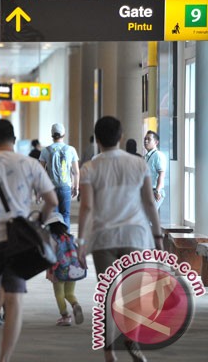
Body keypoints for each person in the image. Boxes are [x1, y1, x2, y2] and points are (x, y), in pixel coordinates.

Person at [0, 119, 57, 362]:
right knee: (15, 299)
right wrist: (38, 223)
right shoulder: (30, 164)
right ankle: (5, 357)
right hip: (19, 241)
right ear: (14, 140)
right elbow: (52, 200)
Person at [77, 116, 162, 362]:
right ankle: (132, 339)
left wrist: (81, 243)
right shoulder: (138, 164)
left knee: (107, 293)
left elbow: (87, 208)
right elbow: (149, 202)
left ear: (98, 139)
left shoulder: (90, 168)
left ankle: (109, 353)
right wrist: (157, 235)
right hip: (136, 235)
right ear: (121, 136)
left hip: (103, 238)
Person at [39, 123, 80, 228]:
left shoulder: (45, 151)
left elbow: (41, 172)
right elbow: (76, 171)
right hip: (66, 186)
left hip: (50, 188)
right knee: (66, 215)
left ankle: (55, 240)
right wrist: (76, 187)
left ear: (52, 135)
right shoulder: (71, 150)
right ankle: (66, 241)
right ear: (64, 134)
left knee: (53, 217)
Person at [143, 130, 167, 209]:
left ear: (156, 142)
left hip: (155, 191)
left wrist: (157, 191)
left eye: (149, 139)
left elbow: (161, 175)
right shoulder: (146, 156)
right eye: (145, 139)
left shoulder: (158, 155)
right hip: (147, 190)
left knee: (148, 217)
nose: (146, 141)